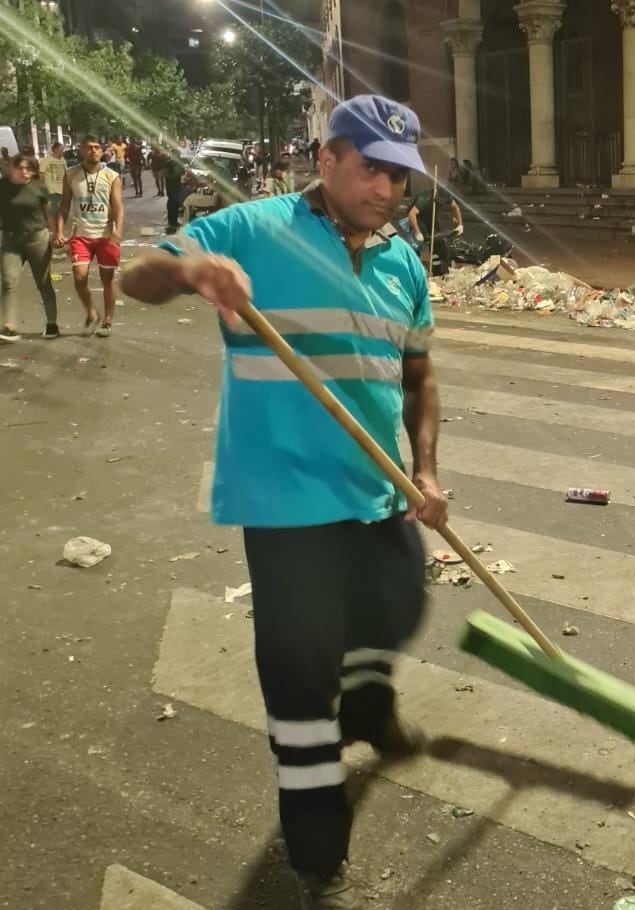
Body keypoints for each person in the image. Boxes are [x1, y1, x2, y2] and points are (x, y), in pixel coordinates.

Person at [121, 95, 447, 910]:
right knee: (302, 686)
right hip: (284, 503)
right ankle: (315, 850)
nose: (385, 189)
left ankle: (369, 701)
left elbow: (419, 375)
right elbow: (136, 277)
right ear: (326, 156)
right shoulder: (251, 230)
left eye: (399, 176)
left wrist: (427, 471)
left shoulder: (402, 262)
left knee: (397, 604)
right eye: (370, 167)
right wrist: (192, 270)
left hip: (376, 490)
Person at [55, 135, 123, 337]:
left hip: (105, 235)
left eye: (96, 147)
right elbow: (64, 205)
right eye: (89, 147)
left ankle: (108, 320)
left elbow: (118, 206)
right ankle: (91, 312)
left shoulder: (112, 176)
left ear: (102, 151)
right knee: (79, 278)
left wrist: (118, 230)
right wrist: (59, 231)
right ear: (81, 151)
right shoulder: (71, 174)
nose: (93, 151)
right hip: (81, 235)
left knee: (107, 279)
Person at [0, 154, 60, 340]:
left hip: (37, 239)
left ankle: (52, 324)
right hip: (10, 240)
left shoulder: (38, 187)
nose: (25, 173)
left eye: (29, 169)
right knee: (8, 281)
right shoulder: (2, 186)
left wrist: (56, 234)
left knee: (43, 282)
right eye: (21, 168)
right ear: (12, 168)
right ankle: (9, 325)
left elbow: (49, 213)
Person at [407, 182, 463, 250]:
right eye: (442, 202)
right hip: (418, 219)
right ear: (438, 195)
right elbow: (411, 214)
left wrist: (460, 224)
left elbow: (455, 207)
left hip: (431, 216)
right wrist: (417, 232)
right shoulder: (425, 199)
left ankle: (437, 255)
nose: (444, 204)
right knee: (422, 242)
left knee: (436, 239)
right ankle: (423, 257)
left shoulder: (446, 196)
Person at [39, 142, 67, 219]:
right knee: (53, 211)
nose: (62, 151)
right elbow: (41, 173)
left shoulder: (63, 160)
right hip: (51, 189)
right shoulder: (47, 160)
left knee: (60, 211)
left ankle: (57, 226)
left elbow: (66, 174)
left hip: (62, 189)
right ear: (55, 150)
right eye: (61, 150)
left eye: (63, 150)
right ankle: (52, 226)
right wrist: (42, 187)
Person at [163, 149, 185, 234]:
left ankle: (173, 223)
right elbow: (177, 173)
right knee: (172, 206)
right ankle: (172, 224)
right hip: (173, 187)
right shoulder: (170, 164)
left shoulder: (173, 164)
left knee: (173, 206)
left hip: (174, 187)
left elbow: (181, 172)